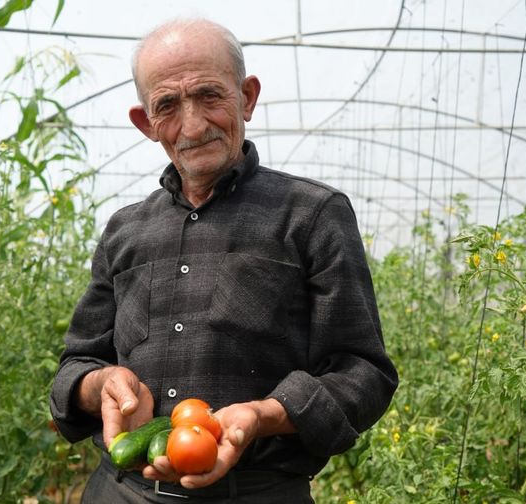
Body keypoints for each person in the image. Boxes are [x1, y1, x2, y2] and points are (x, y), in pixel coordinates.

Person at [50, 18, 398, 503]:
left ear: (247, 97)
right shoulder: (125, 230)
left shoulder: (312, 214)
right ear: (145, 123)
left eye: (210, 96)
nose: (192, 125)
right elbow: (75, 364)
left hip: (257, 493)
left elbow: (363, 371)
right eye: (167, 105)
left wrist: (264, 414)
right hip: (120, 491)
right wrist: (100, 383)